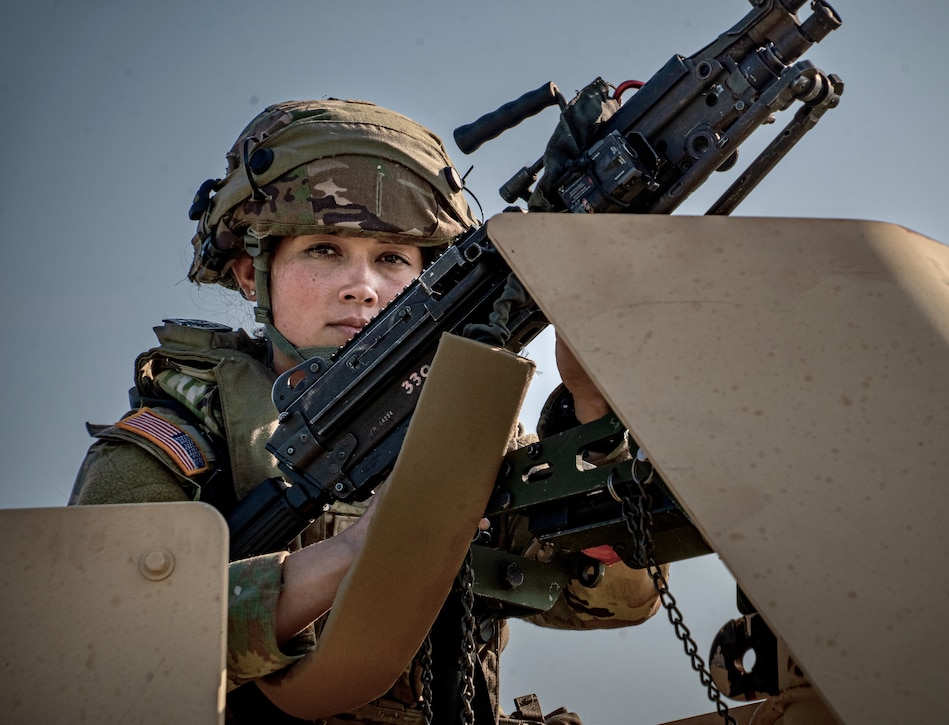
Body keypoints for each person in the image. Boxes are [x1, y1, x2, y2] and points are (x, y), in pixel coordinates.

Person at [69, 99, 662, 724]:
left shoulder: (473, 428)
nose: (363, 287)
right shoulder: (176, 443)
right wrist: (357, 551)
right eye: (324, 250)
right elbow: (96, 654)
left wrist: (595, 418)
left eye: (393, 258)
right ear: (250, 272)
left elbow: (623, 598)